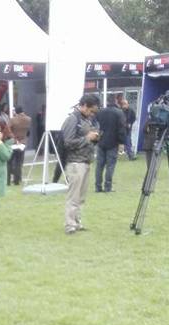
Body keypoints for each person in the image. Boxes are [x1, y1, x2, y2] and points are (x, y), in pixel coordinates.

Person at [61, 93, 100, 235]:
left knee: (81, 196)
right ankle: (69, 224)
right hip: (75, 162)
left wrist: (95, 137)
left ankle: (77, 222)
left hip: (86, 160)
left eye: (94, 112)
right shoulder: (72, 119)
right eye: (91, 110)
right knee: (73, 195)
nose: (92, 114)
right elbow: (68, 142)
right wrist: (87, 138)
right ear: (83, 105)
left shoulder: (86, 119)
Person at [95, 97, 125, 192]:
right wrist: (121, 142)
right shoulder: (119, 113)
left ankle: (98, 186)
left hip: (101, 141)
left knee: (99, 166)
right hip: (113, 142)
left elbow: (96, 125)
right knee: (110, 166)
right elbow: (121, 128)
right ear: (115, 102)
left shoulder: (100, 112)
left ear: (107, 102)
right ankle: (108, 187)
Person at [8, 105, 31, 185]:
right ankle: (17, 180)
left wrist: (14, 138)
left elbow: (8, 130)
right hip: (23, 142)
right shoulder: (28, 119)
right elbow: (28, 131)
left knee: (10, 162)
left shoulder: (12, 120)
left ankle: (9, 180)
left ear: (16, 111)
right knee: (19, 162)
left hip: (14, 142)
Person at [117, 95, 137, 160]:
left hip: (127, 129)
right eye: (123, 104)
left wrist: (130, 123)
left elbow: (134, 118)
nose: (124, 105)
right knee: (119, 141)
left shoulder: (131, 110)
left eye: (125, 104)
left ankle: (131, 155)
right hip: (120, 129)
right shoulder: (120, 110)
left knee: (128, 141)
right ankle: (129, 153)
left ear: (128, 104)